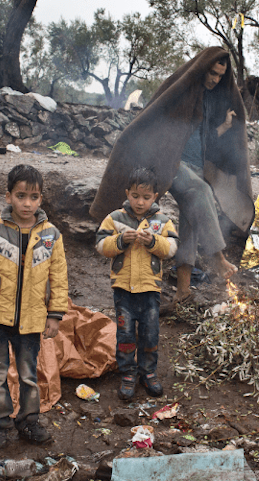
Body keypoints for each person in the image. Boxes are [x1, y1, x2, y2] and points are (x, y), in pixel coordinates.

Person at [90, 46, 253, 309]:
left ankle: (182, 292)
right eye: (212, 73)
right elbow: (155, 119)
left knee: (191, 223)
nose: (215, 79)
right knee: (201, 191)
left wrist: (224, 127)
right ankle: (218, 258)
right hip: (172, 163)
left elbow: (205, 139)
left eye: (220, 76)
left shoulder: (211, 99)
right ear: (203, 68)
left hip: (196, 167)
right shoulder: (182, 89)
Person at [0, 164, 68, 451]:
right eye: (21, 196)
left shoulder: (51, 236)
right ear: (8, 196)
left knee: (29, 376)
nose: (27, 203)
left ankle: (29, 422)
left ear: (41, 199)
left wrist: (55, 315)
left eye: (34, 197)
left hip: (32, 320)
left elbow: (59, 278)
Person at [95, 167, 178, 400]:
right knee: (126, 334)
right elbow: (101, 245)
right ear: (127, 194)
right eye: (135, 196)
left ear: (155, 197)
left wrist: (153, 242)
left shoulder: (162, 221)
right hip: (123, 290)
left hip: (150, 290)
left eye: (146, 197)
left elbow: (171, 249)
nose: (140, 202)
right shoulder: (115, 218)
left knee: (150, 334)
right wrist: (120, 240)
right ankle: (128, 373)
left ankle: (148, 372)